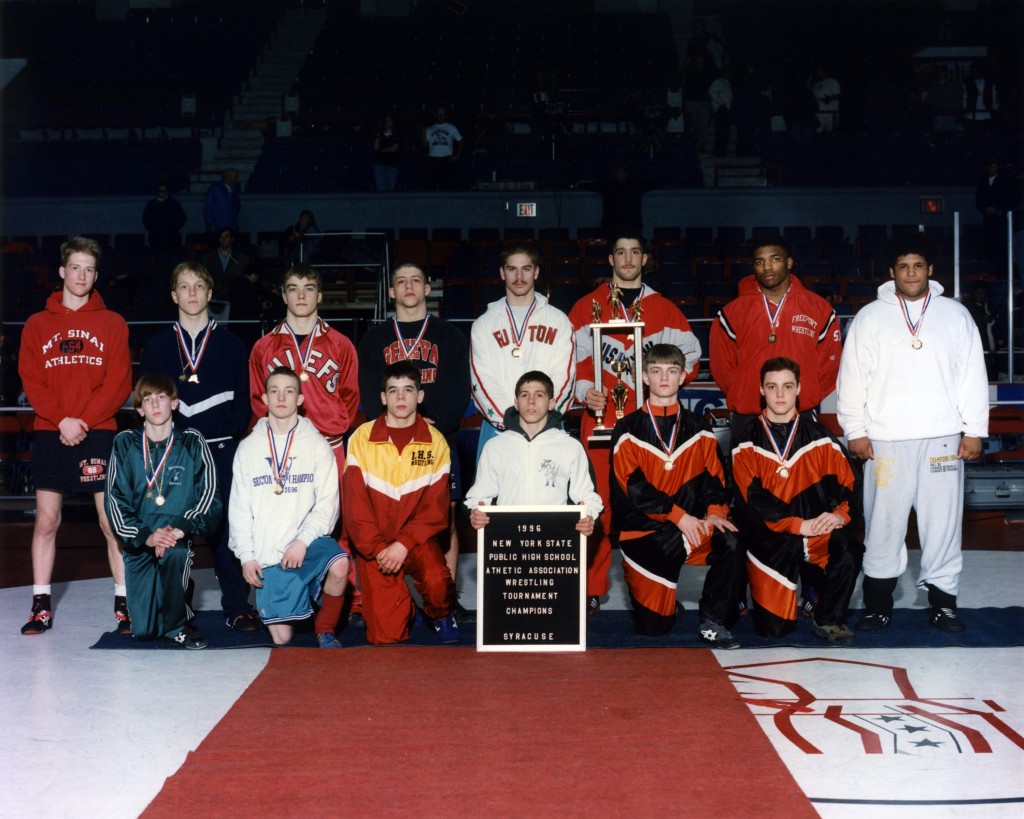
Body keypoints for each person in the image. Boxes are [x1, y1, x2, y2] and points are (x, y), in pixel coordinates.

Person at [837, 234, 988, 633]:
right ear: (892, 272)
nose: (911, 273)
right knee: (883, 523)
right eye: (903, 266)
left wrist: (973, 431)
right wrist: (855, 429)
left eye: (918, 266)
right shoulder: (870, 316)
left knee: (943, 523)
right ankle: (877, 605)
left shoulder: (955, 315)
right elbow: (852, 378)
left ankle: (944, 605)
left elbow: (972, 376)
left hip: (942, 438)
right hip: (886, 440)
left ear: (930, 270)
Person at [568, 232, 701, 613]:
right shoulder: (586, 307)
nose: (628, 258)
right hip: (599, 426)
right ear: (610, 260)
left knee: (652, 508)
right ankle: (591, 589)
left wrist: (663, 393)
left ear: (645, 259)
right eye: (620, 252)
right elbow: (572, 364)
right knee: (595, 507)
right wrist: (583, 394)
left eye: (635, 252)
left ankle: (656, 588)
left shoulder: (665, 310)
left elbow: (689, 361)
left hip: (650, 431)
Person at [18, 237, 133, 635]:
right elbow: (31, 381)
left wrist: (80, 421)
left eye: (89, 269)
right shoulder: (37, 324)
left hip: (98, 432)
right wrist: (61, 420)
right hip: (51, 433)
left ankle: (124, 606)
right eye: (75, 267)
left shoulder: (113, 322)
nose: (81, 275)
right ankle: (40, 607)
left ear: (96, 275)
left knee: (110, 522)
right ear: (62, 272)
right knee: (47, 521)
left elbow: (118, 384)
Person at [139, 262, 259, 631]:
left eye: (199, 286)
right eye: (184, 287)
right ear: (174, 295)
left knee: (225, 529)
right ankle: (178, 604)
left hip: (222, 450)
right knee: (175, 528)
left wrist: (227, 439)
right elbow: (148, 402)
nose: (192, 293)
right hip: (174, 455)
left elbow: (245, 404)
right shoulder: (157, 346)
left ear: (210, 294)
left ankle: (237, 605)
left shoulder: (232, 345)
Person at [609, 344, 744, 646]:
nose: (664, 378)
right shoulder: (627, 429)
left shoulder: (700, 430)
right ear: (644, 377)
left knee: (732, 539)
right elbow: (633, 488)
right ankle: (663, 600)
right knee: (653, 628)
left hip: (691, 528)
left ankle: (714, 619)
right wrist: (679, 516)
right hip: (643, 533)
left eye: (671, 371)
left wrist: (714, 513)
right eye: (656, 371)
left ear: (683, 376)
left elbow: (715, 482)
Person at [357, 262, 471, 613]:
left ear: (427, 289)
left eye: (416, 281)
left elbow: (459, 390)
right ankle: (385, 596)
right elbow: (366, 391)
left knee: (445, 515)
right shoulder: (375, 338)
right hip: (388, 442)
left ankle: (446, 599)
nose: (408, 287)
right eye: (401, 282)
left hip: (437, 436)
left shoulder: (450, 335)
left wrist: (432, 424)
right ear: (391, 292)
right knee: (384, 514)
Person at [730, 357, 863, 645]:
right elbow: (750, 500)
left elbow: (851, 484)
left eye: (787, 386)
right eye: (773, 386)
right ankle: (751, 593)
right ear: (761, 390)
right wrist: (796, 524)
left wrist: (840, 514)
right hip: (771, 540)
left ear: (799, 389)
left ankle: (829, 618)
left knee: (848, 547)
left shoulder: (820, 438)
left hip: (816, 534)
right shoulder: (745, 441)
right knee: (774, 630)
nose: (780, 394)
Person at [229, 367, 349, 647]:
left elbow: (328, 505)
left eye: (289, 391)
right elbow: (239, 510)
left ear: (300, 399)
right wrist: (246, 556)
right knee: (282, 639)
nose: (281, 397)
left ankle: (326, 628)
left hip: (306, 543)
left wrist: (303, 541)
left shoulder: (318, 445)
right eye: (274, 391)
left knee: (340, 563)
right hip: (270, 554)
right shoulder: (247, 448)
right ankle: (291, 595)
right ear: (264, 399)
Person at [342, 362, 458, 645]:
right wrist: (380, 548)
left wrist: (403, 543)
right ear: (383, 398)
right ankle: (405, 609)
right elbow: (355, 508)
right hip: (375, 546)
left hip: (415, 541)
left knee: (437, 578)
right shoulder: (361, 438)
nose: (401, 397)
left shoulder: (436, 442)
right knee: (385, 637)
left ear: (420, 396)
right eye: (393, 391)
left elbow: (436, 509)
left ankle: (441, 614)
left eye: (408, 390)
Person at [105, 373, 222, 648]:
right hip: (141, 540)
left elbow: (209, 494)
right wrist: (146, 536)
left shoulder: (192, 441)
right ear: (138, 408)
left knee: (176, 554)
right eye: (148, 399)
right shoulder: (124, 443)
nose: (155, 404)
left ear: (175, 403)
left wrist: (180, 528)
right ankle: (177, 596)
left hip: (176, 538)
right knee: (145, 632)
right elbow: (115, 499)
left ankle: (178, 625)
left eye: (162, 397)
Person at [709, 235, 842, 433]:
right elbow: (722, 368)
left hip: (801, 411)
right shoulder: (732, 313)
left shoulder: (818, 309)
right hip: (748, 413)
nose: (767, 267)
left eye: (775, 259)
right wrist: (745, 392)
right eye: (759, 262)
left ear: (789, 263)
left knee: (804, 465)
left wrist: (806, 395)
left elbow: (830, 365)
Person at [249, 264, 359, 475]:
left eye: (308, 288)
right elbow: (257, 399)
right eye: (293, 288)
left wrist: (336, 424)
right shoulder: (263, 346)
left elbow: (350, 395)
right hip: (281, 446)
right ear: (283, 296)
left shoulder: (341, 344)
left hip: (329, 444)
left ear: (319, 296)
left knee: (330, 509)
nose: (301, 295)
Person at [470, 243, 575, 458]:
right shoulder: (483, 324)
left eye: (526, 269)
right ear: (502, 273)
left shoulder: (559, 321)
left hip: (547, 427)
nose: (519, 276)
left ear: (536, 272)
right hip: (499, 428)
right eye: (512, 269)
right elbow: (481, 380)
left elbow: (565, 376)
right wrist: (511, 419)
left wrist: (541, 418)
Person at [465, 370, 602, 535]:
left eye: (539, 395)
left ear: (551, 403)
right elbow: (479, 496)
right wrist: (476, 512)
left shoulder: (571, 446)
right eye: (524, 395)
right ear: (516, 403)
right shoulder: (495, 446)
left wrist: (588, 516)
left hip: (555, 538)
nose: (531, 401)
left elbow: (587, 497)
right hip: (509, 539)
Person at [422, 105, 462, 189]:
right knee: (432, 185)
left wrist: (457, 156)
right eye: (439, 113)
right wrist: (423, 132)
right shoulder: (429, 129)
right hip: (433, 160)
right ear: (435, 115)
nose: (441, 115)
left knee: (446, 185)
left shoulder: (451, 127)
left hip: (446, 160)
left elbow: (461, 141)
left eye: (442, 113)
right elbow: (425, 145)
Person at [201, 228, 250, 296]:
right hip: (213, 295)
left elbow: (250, 275)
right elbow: (201, 276)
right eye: (221, 236)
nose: (223, 239)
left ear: (232, 239)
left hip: (235, 295)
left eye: (226, 236)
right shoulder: (208, 258)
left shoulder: (241, 258)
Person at [142, 183, 187, 251]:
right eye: (159, 191)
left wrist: (173, 229)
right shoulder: (151, 204)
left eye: (163, 191)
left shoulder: (174, 204)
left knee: (171, 256)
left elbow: (181, 218)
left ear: (167, 192)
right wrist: (152, 229)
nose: (161, 193)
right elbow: (146, 219)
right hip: (155, 236)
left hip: (171, 236)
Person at [203, 168, 241, 234]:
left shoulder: (234, 191)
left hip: (231, 226)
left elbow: (237, 207)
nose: (237, 180)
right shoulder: (215, 189)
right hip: (218, 226)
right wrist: (211, 224)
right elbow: (208, 207)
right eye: (235, 177)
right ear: (228, 177)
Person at [373, 115, 401, 192]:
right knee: (381, 188)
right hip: (379, 164)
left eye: (389, 121)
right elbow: (376, 147)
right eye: (386, 121)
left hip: (392, 164)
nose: (387, 123)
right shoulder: (379, 134)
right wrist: (377, 135)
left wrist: (381, 150)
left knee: (391, 188)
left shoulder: (396, 135)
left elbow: (394, 149)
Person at [811, 67, 841, 133]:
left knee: (830, 133)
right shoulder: (816, 84)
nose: (818, 73)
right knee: (819, 133)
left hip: (830, 112)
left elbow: (839, 95)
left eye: (820, 71)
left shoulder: (833, 82)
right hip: (818, 113)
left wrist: (828, 99)